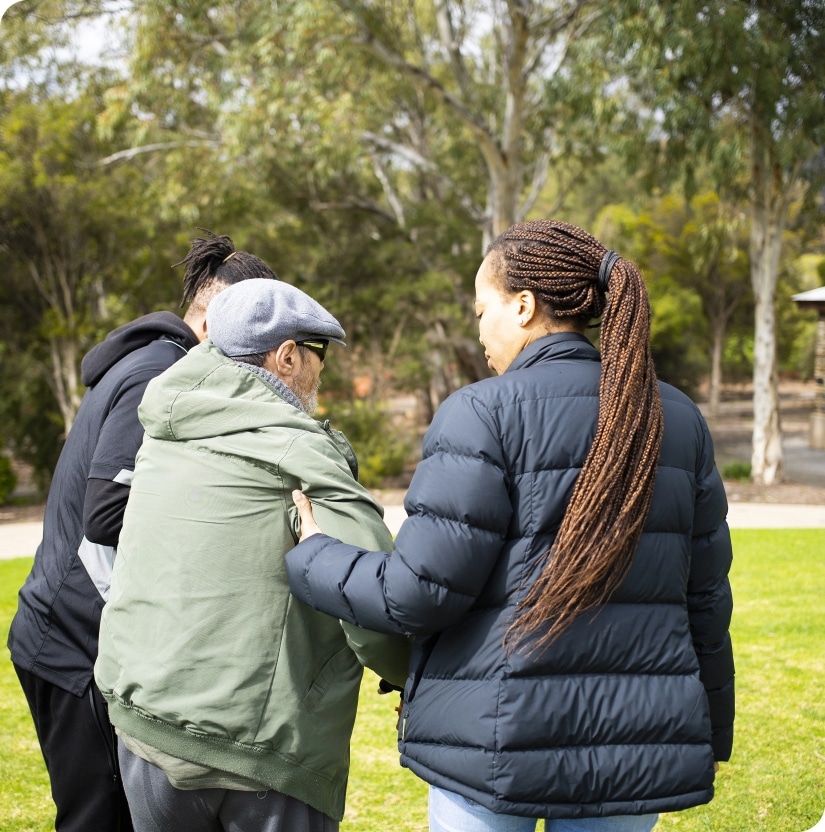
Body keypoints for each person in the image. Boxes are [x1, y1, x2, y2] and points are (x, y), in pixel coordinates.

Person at [285, 219, 735, 832]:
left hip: (494, 743)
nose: (479, 333)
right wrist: (711, 726)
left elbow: (418, 592)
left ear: (523, 306)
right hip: (632, 749)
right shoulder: (677, 417)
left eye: (481, 311)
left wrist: (315, 553)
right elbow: (705, 599)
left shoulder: (481, 413)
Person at [94, 277, 411, 832]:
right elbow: (376, 597)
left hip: (143, 729)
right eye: (318, 353)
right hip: (256, 753)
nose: (321, 371)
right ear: (287, 357)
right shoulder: (303, 451)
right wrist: (412, 674)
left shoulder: (164, 425)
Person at [7, 230, 279, 832]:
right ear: (216, 321)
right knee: (99, 820)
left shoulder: (160, 364)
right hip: (74, 645)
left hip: (78, 638)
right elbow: (105, 513)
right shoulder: (157, 373)